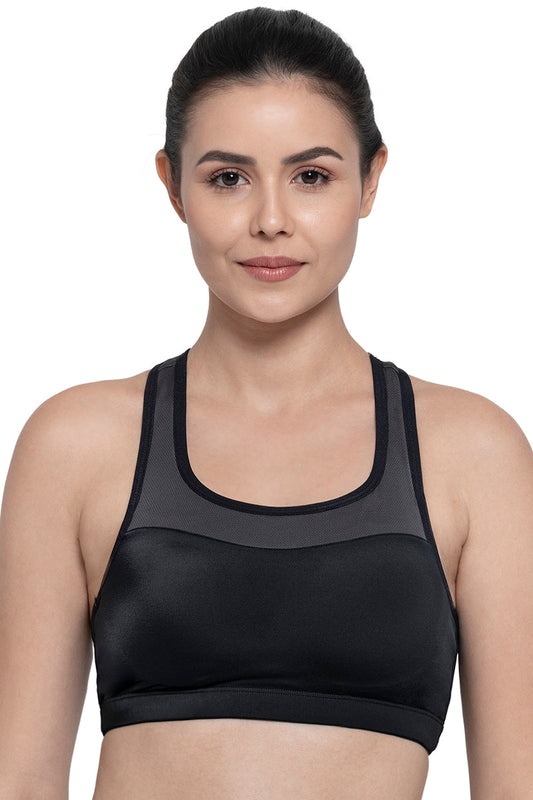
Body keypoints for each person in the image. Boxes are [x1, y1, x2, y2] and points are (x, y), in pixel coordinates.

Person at [1, 6, 532, 799]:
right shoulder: (76, 444)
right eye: (228, 178)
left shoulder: (472, 453)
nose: (271, 221)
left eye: (311, 176)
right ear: (172, 185)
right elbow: (19, 780)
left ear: (371, 179)